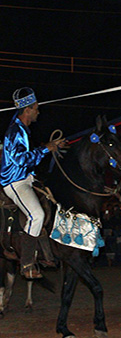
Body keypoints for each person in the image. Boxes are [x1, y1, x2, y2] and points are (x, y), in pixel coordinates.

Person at [0, 87, 67, 279]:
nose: (38, 111)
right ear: (28, 109)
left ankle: (47, 255)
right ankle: (27, 264)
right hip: (15, 182)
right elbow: (20, 160)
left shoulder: (22, 129)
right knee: (36, 215)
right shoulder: (15, 132)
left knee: (51, 204)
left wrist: (52, 147)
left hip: (26, 178)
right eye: (36, 108)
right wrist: (46, 149)